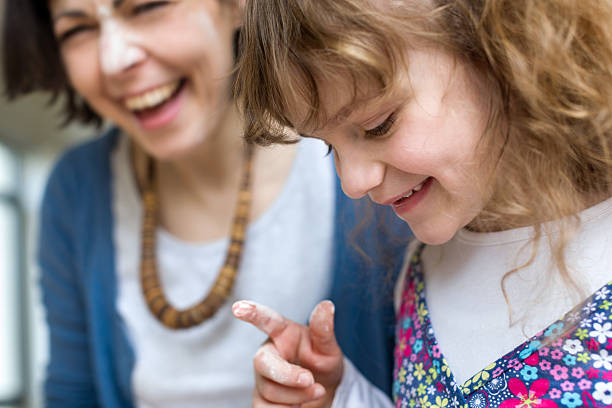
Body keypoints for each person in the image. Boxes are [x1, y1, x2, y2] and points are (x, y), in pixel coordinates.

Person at [2, 0, 411, 407]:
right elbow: (73, 395)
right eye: (77, 30)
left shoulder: (366, 171)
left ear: (237, 7)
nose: (114, 60)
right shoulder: (76, 190)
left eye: (146, 6)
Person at [231, 0, 612, 407]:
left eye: (378, 125)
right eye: (329, 146)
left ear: (502, 49)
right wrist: (337, 398)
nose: (353, 183)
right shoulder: (420, 274)